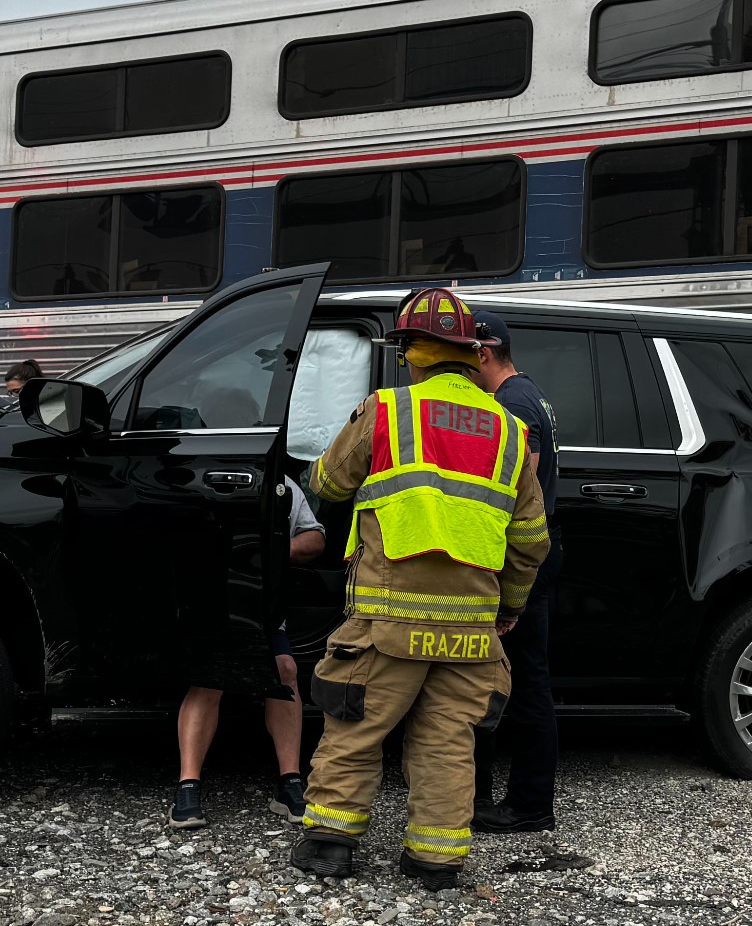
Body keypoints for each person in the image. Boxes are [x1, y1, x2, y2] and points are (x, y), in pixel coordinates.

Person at [290, 287, 550, 893]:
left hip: (388, 619)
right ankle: (435, 860)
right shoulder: (511, 433)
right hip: (470, 628)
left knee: (356, 727)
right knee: (447, 742)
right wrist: (508, 608)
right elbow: (531, 539)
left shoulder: (386, 411)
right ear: (467, 353)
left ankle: (330, 845)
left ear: (411, 351)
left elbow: (327, 480)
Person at [170, 476, 326, 829]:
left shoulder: (282, 485)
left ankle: (290, 785)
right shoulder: (199, 478)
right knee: (210, 679)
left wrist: (275, 551)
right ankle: (187, 787)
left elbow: (315, 537)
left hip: (263, 609)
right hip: (208, 605)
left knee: (285, 672)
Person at [468, 310, 565, 834]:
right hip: (537, 552)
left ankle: (529, 805)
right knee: (516, 680)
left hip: (522, 557)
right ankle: (502, 798)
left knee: (522, 684)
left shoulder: (511, 406)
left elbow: (519, 488)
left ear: (483, 353)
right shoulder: (530, 395)